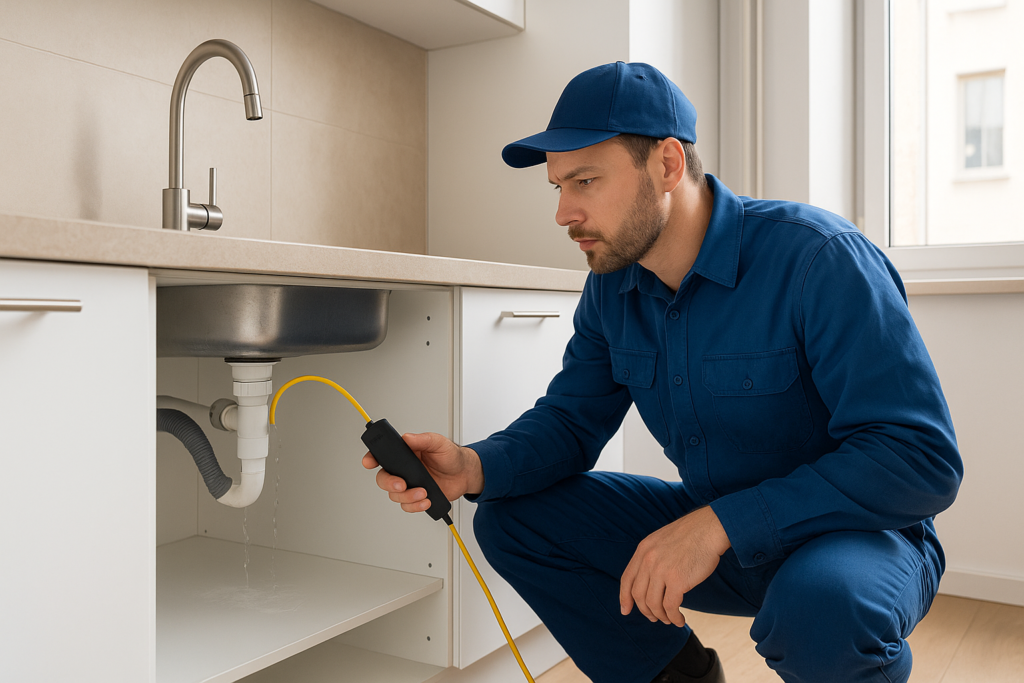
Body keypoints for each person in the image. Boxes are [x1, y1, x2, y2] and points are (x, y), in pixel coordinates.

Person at [362, 62, 963, 683]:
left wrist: (720, 524)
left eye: (586, 180)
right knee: (513, 517)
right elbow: (571, 422)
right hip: (723, 536)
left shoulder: (820, 260)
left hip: (857, 540)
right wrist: (475, 466)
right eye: (558, 187)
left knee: (822, 606)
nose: (565, 212)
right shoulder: (613, 288)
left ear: (668, 165)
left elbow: (921, 460)